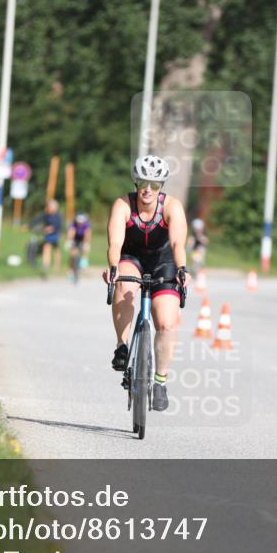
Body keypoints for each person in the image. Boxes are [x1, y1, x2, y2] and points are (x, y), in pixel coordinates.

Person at [102, 155, 190, 412]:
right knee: (125, 287)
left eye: (154, 184)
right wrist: (114, 266)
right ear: (136, 182)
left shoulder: (172, 207)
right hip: (131, 257)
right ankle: (122, 345)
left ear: (161, 186)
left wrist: (182, 269)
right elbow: (115, 243)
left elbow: (177, 244)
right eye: (143, 182)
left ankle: (160, 380)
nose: (148, 189)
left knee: (166, 322)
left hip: (164, 261)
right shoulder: (123, 204)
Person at [67, 212, 92, 281]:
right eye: (78, 222)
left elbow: (88, 235)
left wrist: (87, 244)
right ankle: (71, 272)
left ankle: (84, 260)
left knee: (84, 249)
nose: (79, 224)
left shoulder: (86, 225)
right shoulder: (74, 224)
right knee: (72, 255)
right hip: (75, 239)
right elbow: (71, 232)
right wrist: (69, 241)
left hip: (83, 239)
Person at [41, 199, 63, 273]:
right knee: (46, 248)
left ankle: (56, 265)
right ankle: (46, 263)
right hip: (48, 234)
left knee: (56, 249)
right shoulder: (46, 214)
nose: (48, 208)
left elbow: (58, 226)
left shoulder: (58, 216)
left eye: (50, 206)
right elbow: (39, 219)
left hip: (55, 234)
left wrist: (51, 228)